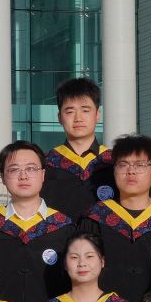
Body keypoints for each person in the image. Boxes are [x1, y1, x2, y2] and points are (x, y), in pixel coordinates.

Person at [0, 140, 74, 302]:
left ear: (43, 174)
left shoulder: (64, 226)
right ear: (3, 177)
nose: (23, 176)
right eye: (14, 170)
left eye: (31, 169)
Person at [85, 135, 151, 302]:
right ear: (114, 170)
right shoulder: (97, 217)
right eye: (123, 164)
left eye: (140, 165)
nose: (131, 171)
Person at [43, 76, 113, 223]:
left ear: (97, 115)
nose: (78, 118)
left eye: (85, 110)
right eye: (69, 112)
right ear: (59, 118)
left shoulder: (114, 162)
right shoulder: (46, 163)